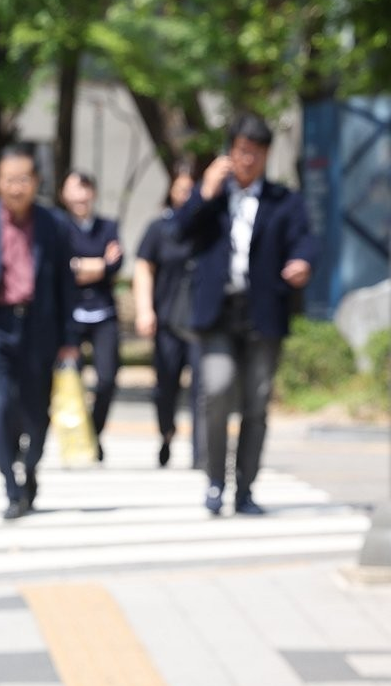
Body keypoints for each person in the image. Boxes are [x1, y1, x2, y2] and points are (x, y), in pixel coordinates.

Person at [174, 114, 317, 515]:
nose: (248, 160)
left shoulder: (283, 200)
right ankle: (215, 480)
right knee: (216, 389)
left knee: (256, 403)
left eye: (256, 152)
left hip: (263, 313)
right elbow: (179, 231)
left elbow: (306, 240)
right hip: (218, 313)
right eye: (241, 151)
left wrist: (302, 262)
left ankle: (245, 489)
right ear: (229, 152)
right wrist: (205, 191)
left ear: (266, 155)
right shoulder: (213, 197)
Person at [0, 144, 78, 520]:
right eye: (9, 180)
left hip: (39, 327)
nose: (16, 188)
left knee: (36, 413)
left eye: (24, 179)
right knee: (0, 410)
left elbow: (66, 286)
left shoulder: (54, 225)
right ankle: (11, 490)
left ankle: (29, 470)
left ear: (37, 182)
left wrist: (70, 340)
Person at [133, 167, 201, 468]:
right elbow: (143, 268)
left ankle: (202, 450)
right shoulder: (158, 229)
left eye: (191, 189)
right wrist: (144, 310)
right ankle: (167, 432)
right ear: (171, 191)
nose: (185, 195)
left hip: (200, 322)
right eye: (180, 189)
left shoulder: (208, 226)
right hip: (167, 319)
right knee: (166, 386)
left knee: (203, 387)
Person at [59, 171, 123, 461]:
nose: (81, 196)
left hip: (104, 314)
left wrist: (83, 266)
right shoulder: (60, 227)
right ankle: (77, 438)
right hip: (70, 314)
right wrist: (99, 265)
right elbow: (63, 268)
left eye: (85, 189)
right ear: (64, 194)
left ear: (93, 193)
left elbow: (116, 264)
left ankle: (94, 434)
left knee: (107, 379)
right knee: (70, 379)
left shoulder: (108, 226)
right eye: (75, 189)